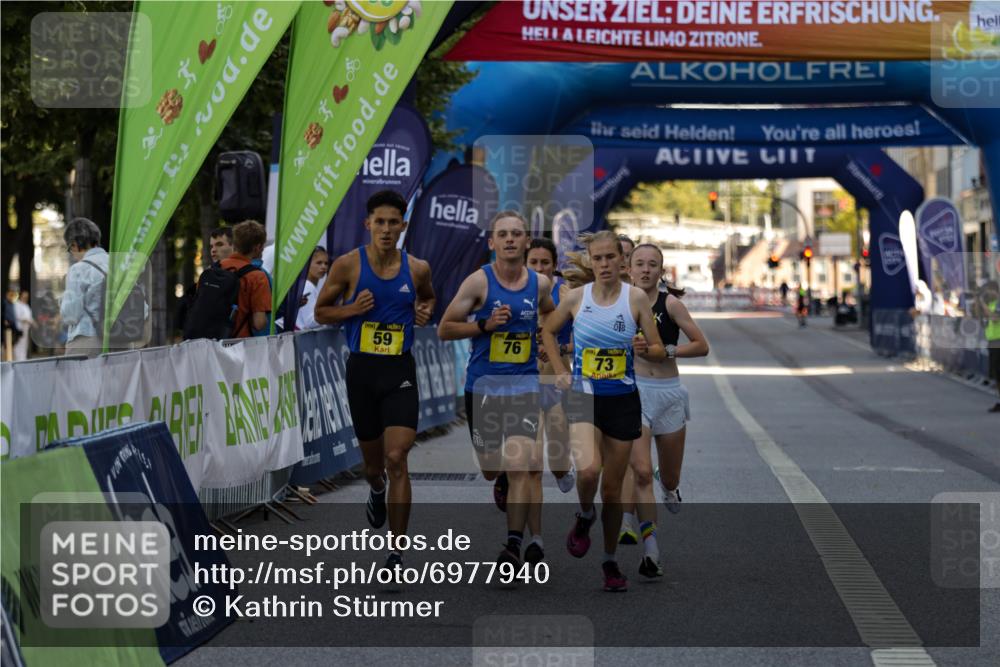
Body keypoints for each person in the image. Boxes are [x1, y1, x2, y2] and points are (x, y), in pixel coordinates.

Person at [314, 190, 435, 571]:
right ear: (368, 224)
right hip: (362, 373)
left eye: (392, 223)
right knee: (373, 467)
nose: (385, 229)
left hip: (399, 371)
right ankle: (377, 489)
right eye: (379, 222)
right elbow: (321, 312)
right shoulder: (348, 266)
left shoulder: (417, 268)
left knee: (397, 457)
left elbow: (429, 298)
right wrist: (353, 309)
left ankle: (396, 553)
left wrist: (424, 311)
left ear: (403, 226)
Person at [541, 230, 665, 592]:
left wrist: (645, 348)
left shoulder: (635, 298)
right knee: (588, 470)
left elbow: (658, 349)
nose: (605, 264)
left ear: (622, 261)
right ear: (590, 262)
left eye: (611, 257)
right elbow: (548, 332)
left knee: (612, 492)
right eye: (598, 258)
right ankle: (584, 514)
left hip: (622, 399)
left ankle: (610, 560)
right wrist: (560, 371)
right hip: (584, 394)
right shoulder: (576, 298)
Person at [438, 211, 555, 568]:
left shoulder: (540, 284)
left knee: (521, 465)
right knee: (492, 468)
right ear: (492, 242)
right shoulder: (478, 282)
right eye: (502, 234)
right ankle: (499, 477)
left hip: (524, 386)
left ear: (527, 241)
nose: (509, 240)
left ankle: (513, 545)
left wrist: (545, 340)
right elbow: (445, 328)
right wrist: (484, 326)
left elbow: (551, 316)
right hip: (484, 387)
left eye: (516, 234)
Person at [620, 244, 709, 578]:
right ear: (628, 268)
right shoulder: (618, 304)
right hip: (635, 393)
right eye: (640, 264)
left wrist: (667, 351)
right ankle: (651, 551)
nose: (645, 270)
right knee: (641, 472)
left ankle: (669, 486)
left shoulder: (670, 304)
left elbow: (701, 345)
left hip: (669, 394)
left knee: (669, 476)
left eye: (652, 265)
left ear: (661, 271)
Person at [524, 238, 576, 563]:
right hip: (525, 383)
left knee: (557, 462)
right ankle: (536, 539)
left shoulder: (567, 293)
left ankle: (562, 470)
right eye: (534, 262)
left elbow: (585, 336)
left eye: (545, 263)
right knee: (532, 465)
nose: (540, 268)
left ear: (555, 265)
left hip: (556, 382)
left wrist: (559, 349)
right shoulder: (514, 291)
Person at [60, 217, 109, 357]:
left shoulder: (79, 269)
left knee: (77, 373)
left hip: (87, 339)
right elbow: (143, 308)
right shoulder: (120, 265)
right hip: (122, 340)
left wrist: (62, 301)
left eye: (69, 249)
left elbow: (71, 315)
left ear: (75, 245)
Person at [219, 220, 271, 338]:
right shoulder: (257, 276)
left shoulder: (214, 269)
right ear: (258, 247)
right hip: (240, 343)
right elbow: (259, 323)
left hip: (210, 342)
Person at [977, 280, 1000, 412]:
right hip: (993, 341)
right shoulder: (991, 303)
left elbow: (995, 318)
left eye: (989, 290)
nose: (987, 293)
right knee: (996, 375)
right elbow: (983, 318)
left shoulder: (998, 303)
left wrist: (982, 304)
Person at [295, 246, 330, 330]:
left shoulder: (309, 286)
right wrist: (332, 313)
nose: (323, 267)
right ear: (307, 264)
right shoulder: (307, 286)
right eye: (319, 263)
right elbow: (310, 322)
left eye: (326, 263)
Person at [12, 290, 34, 360]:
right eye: (24, 296)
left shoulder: (26, 305)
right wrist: (27, 320)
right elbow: (18, 316)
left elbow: (29, 316)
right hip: (19, 328)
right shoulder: (17, 304)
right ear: (21, 296)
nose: (25, 298)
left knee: (25, 344)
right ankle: (18, 359)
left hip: (26, 328)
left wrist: (32, 321)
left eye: (27, 297)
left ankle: (23, 358)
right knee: (19, 344)